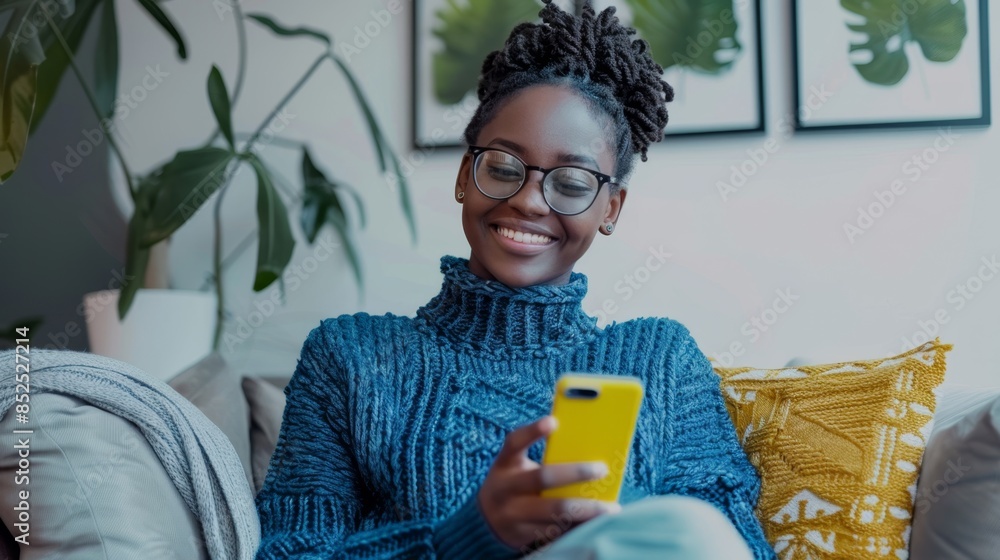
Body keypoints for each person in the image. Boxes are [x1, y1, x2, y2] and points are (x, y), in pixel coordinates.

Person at [255, 2, 776, 559]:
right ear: (465, 175)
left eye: (572, 182)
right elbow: (292, 552)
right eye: (503, 168)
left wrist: (607, 518)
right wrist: (475, 534)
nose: (528, 200)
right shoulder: (352, 359)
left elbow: (732, 546)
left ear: (610, 208)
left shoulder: (661, 358)